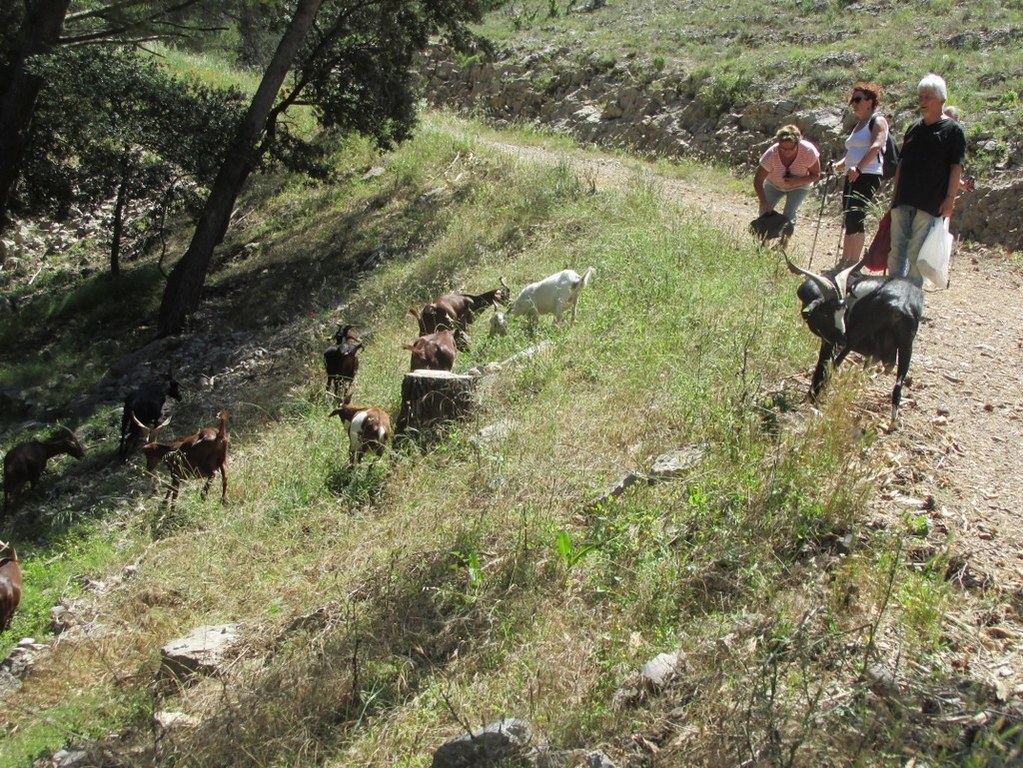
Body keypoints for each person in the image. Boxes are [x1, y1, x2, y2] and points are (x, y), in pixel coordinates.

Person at [888, 74, 966, 286]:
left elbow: (955, 166)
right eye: (920, 97)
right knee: (897, 249)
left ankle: (911, 297)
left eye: (928, 97)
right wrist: (893, 199)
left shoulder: (953, 131)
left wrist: (950, 198)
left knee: (916, 253)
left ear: (941, 100)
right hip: (904, 199)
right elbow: (902, 165)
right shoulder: (913, 127)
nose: (922, 101)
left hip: (930, 201)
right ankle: (890, 294)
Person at [829, 83, 888, 267]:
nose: (853, 104)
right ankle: (845, 260)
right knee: (849, 216)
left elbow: (876, 145)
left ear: (870, 101)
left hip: (867, 174)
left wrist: (860, 168)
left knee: (857, 216)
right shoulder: (859, 124)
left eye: (857, 100)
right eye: (852, 100)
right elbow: (852, 153)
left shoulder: (878, 121)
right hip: (852, 174)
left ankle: (853, 263)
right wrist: (838, 166)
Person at [754, 124, 821, 228]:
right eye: (783, 149)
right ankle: (763, 241)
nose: (787, 152)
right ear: (779, 143)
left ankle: (784, 242)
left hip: (800, 186)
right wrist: (763, 201)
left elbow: (816, 175)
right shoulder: (771, 154)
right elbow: (758, 180)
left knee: (789, 215)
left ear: (797, 143)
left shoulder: (808, 152)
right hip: (773, 185)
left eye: (791, 149)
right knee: (764, 213)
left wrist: (798, 181)